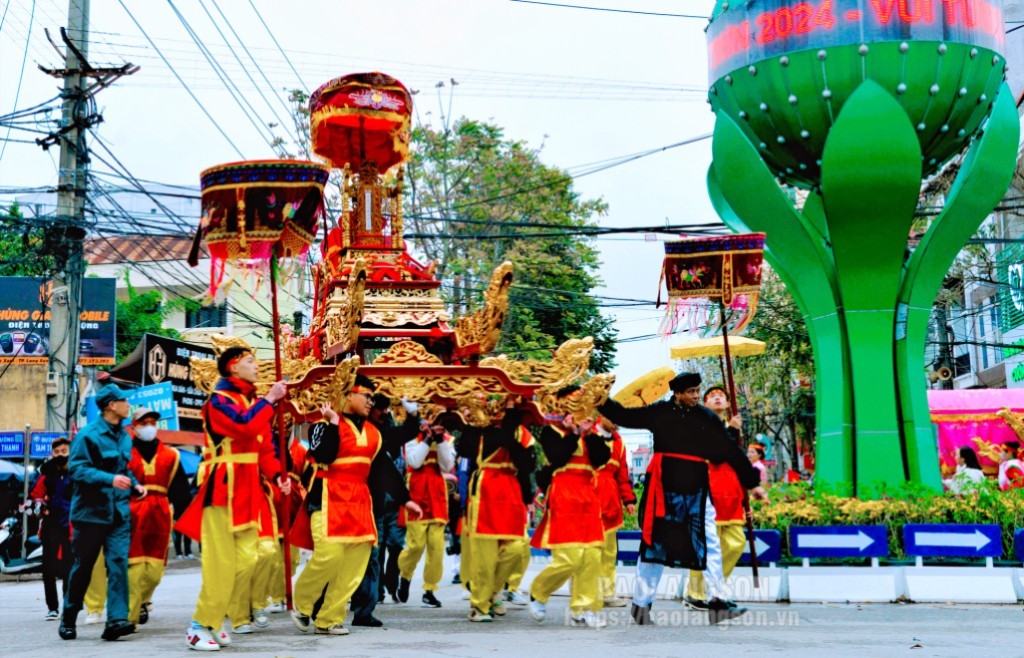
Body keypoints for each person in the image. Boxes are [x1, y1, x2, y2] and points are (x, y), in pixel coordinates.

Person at [598, 372, 767, 626]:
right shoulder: (659, 412)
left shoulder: (706, 416)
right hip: (664, 488)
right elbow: (623, 415)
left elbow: (729, 450)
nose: (697, 396)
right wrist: (600, 398)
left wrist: (752, 483)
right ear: (676, 393)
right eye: (691, 392)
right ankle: (641, 604)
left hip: (698, 488)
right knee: (654, 547)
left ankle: (718, 601)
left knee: (710, 542)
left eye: (698, 391)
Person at [175, 345, 289, 652]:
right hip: (223, 489)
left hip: (249, 490)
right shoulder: (219, 401)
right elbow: (244, 427)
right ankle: (199, 626)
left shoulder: (250, 401)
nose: (257, 367)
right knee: (221, 566)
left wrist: (279, 475)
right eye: (251, 362)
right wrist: (269, 400)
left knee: (248, 561)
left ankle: (213, 621)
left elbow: (264, 447)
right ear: (234, 367)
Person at [289, 376, 422, 636]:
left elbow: (384, 469)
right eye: (367, 396)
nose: (371, 402)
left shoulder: (374, 433)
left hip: (360, 501)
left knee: (356, 562)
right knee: (330, 555)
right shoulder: (323, 425)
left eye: (373, 398)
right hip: (328, 497)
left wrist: (405, 498)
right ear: (348, 395)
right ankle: (303, 606)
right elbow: (324, 455)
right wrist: (336, 423)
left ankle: (330, 617)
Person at [59, 384, 147, 642]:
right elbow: (76, 470)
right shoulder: (87, 435)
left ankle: (116, 621)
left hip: (118, 513)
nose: (128, 405)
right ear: (111, 406)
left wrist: (133, 483)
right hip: (90, 515)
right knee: (83, 568)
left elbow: (123, 468)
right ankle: (68, 616)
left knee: (118, 563)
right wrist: (110, 479)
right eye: (124, 401)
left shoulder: (123, 436)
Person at [528, 387, 610, 629]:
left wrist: (590, 434)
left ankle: (584, 608)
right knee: (570, 557)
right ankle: (538, 592)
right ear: (562, 406)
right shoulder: (550, 431)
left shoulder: (589, 434)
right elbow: (558, 457)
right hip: (563, 494)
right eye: (573, 404)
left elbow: (602, 458)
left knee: (592, 556)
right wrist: (574, 434)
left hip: (587, 496)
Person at [456, 398, 535, 622]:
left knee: (517, 548)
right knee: (484, 555)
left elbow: (527, 465)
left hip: (511, 491)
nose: (497, 410)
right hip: (485, 491)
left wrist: (528, 498)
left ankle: (492, 591)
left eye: (503, 406)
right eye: (495, 405)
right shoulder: (482, 431)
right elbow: (464, 450)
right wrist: (472, 421)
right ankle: (479, 606)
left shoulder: (521, 433)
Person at [349, 395, 421, 627]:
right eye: (379, 408)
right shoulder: (347, 426)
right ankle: (318, 603)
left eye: (383, 409)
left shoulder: (379, 432)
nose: (382, 412)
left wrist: (413, 415)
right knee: (345, 557)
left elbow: (387, 464)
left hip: (376, 504)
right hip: (345, 500)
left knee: (375, 555)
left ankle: (365, 605)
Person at [126, 407, 191, 627]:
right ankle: (129, 618)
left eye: (153, 422)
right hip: (131, 512)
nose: (149, 427)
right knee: (134, 568)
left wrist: (185, 519)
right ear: (134, 426)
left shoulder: (171, 455)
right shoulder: (123, 452)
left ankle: (143, 600)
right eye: (144, 423)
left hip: (160, 514)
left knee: (154, 571)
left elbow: (181, 491)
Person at [684, 385, 747, 611]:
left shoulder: (732, 428)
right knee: (708, 547)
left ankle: (715, 589)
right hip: (709, 491)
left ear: (729, 404)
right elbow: (716, 455)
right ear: (705, 403)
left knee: (736, 543)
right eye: (712, 396)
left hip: (731, 495)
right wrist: (730, 431)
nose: (718, 397)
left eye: (722, 395)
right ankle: (696, 593)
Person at [396, 411, 457, 609]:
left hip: (437, 497)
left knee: (436, 548)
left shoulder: (447, 440)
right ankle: (405, 575)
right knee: (415, 545)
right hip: (417, 494)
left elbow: (447, 465)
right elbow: (413, 461)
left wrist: (439, 440)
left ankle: (429, 590)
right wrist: (427, 438)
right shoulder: (412, 438)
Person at [587, 415, 636, 608]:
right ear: (601, 415)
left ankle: (607, 592)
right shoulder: (587, 434)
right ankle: (589, 592)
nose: (617, 422)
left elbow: (623, 476)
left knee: (609, 550)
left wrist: (629, 500)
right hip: (589, 495)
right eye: (612, 416)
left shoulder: (619, 443)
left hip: (611, 500)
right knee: (591, 550)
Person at [29, 436, 72, 621]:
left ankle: (68, 605)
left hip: (71, 524)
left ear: (70, 452)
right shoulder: (46, 473)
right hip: (51, 524)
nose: (60, 455)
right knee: (48, 567)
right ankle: (52, 607)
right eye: (56, 452)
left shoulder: (78, 471)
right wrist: (39, 506)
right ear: (52, 454)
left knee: (70, 568)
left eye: (63, 451)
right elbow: (35, 495)